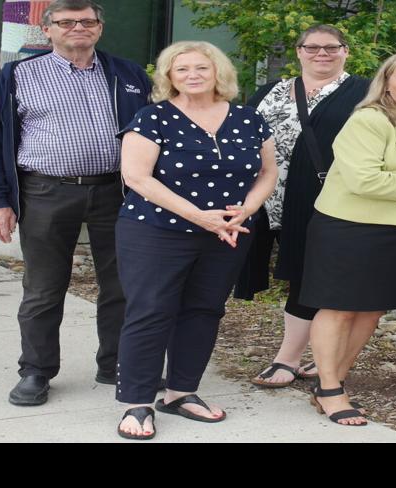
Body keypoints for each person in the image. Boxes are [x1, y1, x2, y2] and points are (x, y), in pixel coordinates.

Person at [0, 0, 151, 407]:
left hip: (117, 191)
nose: (78, 28)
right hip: (46, 192)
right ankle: (36, 371)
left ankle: (117, 364)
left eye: (87, 21)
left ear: (100, 29)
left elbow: (155, 132)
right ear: (47, 29)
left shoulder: (128, 74)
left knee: (124, 283)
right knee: (43, 288)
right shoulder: (18, 75)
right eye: (67, 21)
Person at [112, 41, 278, 439]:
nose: (192, 75)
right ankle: (137, 403)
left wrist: (247, 209)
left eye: (201, 67)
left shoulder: (249, 119)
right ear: (169, 77)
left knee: (204, 310)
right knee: (150, 311)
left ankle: (181, 392)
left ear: (218, 72)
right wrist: (198, 216)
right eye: (181, 69)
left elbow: (267, 173)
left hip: (227, 232)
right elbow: (136, 177)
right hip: (155, 231)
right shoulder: (152, 117)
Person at [299, 49, 396, 426]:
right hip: (351, 227)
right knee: (338, 307)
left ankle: (331, 381)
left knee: (370, 310)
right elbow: (363, 179)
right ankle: (331, 389)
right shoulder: (371, 119)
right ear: (387, 81)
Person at [237, 24, 371, 388]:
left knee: (308, 276)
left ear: (346, 51)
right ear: (298, 51)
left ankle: (289, 358)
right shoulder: (271, 91)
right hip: (267, 199)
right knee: (298, 272)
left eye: (331, 48)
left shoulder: (365, 92)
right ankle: (321, 355)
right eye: (312, 48)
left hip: (328, 201)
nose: (321, 54)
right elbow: (240, 136)